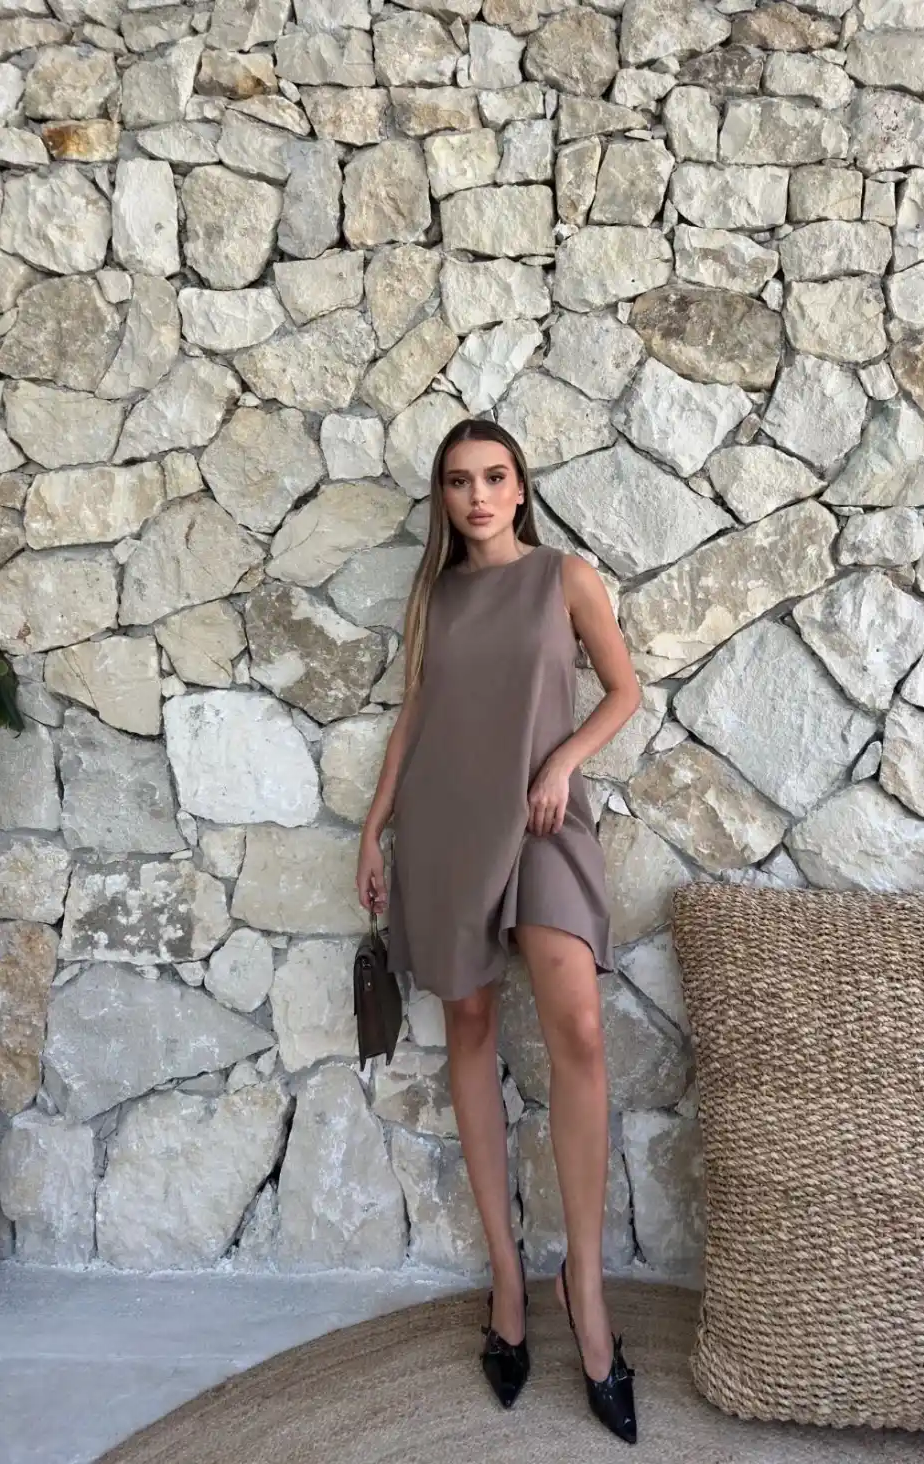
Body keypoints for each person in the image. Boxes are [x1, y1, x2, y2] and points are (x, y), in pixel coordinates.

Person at [356, 419, 644, 1444]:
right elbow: (414, 715)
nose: (476, 496)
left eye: (493, 477)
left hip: (543, 823)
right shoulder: (433, 597)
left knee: (580, 1033)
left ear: (521, 488)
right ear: (443, 498)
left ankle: (586, 1291)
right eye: (457, 481)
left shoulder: (564, 577)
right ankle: (507, 1284)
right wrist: (373, 829)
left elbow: (624, 690)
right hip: (446, 825)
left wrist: (561, 762)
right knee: (469, 1029)